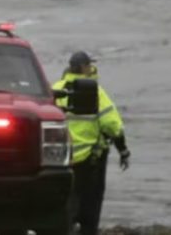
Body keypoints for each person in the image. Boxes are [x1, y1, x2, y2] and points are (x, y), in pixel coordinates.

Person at [52, 51, 128, 235]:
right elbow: (112, 125)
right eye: (89, 65)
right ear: (84, 68)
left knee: (63, 206)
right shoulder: (95, 91)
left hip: (60, 161)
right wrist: (123, 149)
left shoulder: (55, 89)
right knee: (90, 210)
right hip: (90, 162)